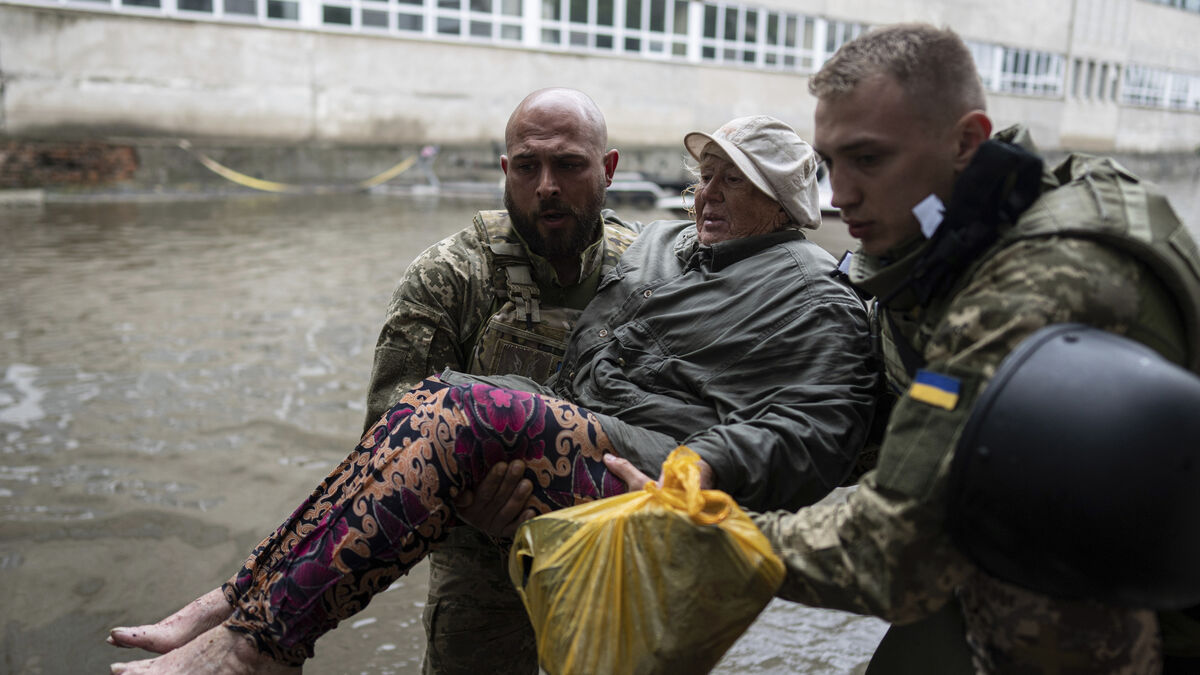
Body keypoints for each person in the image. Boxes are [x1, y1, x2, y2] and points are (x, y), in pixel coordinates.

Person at [107, 115, 879, 673]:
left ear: (784, 203)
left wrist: (700, 464)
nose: (706, 193)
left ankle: (255, 650)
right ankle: (238, 600)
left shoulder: (813, 290)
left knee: (468, 414)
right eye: (704, 175)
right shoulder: (660, 245)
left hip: (648, 481)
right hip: (561, 453)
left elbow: (820, 430)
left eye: (733, 181)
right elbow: (393, 425)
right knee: (429, 402)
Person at [624, 22, 1198, 674]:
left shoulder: (1037, 290)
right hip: (1019, 542)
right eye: (831, 162)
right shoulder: (967, 226)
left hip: (1122, 608)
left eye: (869, 160)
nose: (841, 195)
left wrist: (702, 531)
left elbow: (890, 552)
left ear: (967, 141)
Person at [108, 86, 639, 675]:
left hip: (606, 547)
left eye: (569, 165)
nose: (546, 186)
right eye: (527, 166)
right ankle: (243, 615)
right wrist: (474, 505)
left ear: (608, 169)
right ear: (504, 169)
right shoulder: (449, 276)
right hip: (482, 564)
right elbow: (388, 446)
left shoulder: (649, 276)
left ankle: (243, 625)